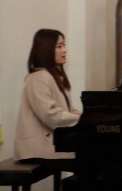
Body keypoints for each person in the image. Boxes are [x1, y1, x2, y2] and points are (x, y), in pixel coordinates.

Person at [14, 29, 81, 162]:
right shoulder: (38, 77)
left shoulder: (55, 76)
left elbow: (68, 110)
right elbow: (49, 114)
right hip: (36, 151)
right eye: (59, 46)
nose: (64, 50)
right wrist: (83, 120)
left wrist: (87, 117)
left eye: (64, 45)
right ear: (46, 49)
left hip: (49, 146)